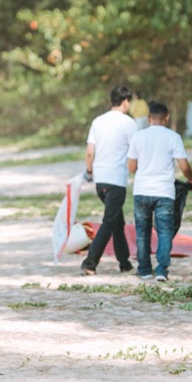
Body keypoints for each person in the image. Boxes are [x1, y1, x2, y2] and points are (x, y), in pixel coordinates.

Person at [127, 102, 192, 282]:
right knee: (165, 231)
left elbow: (132, 167)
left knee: (142, 231)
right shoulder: (173, 137)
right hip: (165, 191)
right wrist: (191, 179)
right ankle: (161, 271)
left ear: (149, 118)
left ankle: (143, 270)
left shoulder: (138, 136)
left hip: (142, 190)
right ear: (166, 118)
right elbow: (184, 165)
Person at [81, 85, 138, 275]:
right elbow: (135, 152)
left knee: (117, 222)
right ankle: (90, 262)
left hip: (100, 180)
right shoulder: (129, 123)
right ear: (126, 102)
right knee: (109, 222)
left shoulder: (98, 121)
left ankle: (125, 263)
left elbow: (90, 152)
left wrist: (89, 172)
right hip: (116, 180)